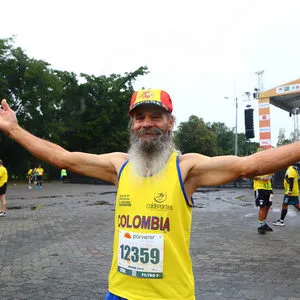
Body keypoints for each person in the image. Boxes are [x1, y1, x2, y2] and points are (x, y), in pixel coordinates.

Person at [1, 89, 300, 299]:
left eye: (156, 116)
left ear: (170, 123)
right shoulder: (118, 166)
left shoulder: (187, 169)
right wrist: (14, 130)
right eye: (140, 117)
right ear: (132, 124)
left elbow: (249, 165)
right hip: (119, 293)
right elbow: (63, 158)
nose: (147, 124)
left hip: (170, 296)